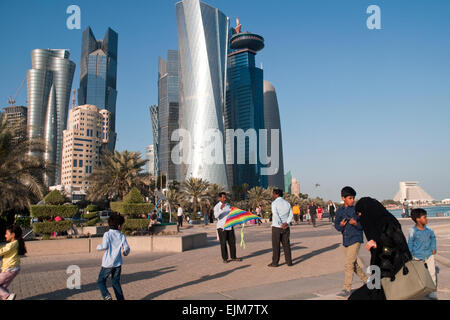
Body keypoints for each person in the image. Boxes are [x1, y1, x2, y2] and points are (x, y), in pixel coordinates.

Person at [349, 197, 412, 300]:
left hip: (391, 271)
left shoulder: (387, 222)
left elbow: (397, 243)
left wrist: (378, 243)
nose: (361, 218)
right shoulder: (383, 221)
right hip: (382, 272)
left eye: (361, 214)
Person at [334, 186, 368, 298]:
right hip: (346, 240)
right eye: (350, 198)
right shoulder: (339, 211)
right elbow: (336, 226)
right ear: (343, 198)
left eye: (353, 198)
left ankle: (347, 288)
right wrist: (341, 226)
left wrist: (355, 224)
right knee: (353, 264)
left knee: (348, 264)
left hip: (356, 239)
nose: (352, 200)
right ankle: (367, 280)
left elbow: (363, 226)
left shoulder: (356, 210)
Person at [97, 213, 130, 300]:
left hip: (107, 263)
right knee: (115, 282)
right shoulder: (122, 236)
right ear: (119, 226)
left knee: (101, 281)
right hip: (117, 263)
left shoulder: (107, 234)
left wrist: (98, 247)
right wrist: (125, 253)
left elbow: (104, 246)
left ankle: (106, 296)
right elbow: (126, 247)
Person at [408, 208, 438, 299]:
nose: (426, 219)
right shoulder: (412, 231)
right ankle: (421, 290)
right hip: (417, 256)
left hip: (429, 255)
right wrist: (409, 255)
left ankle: (432, 291)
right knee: (420, 274)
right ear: (418, 219)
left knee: (432, 273)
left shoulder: (430, 230)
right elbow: (410, 243)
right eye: (424, 217)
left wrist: (433, 247)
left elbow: (433, 238)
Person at [268, 189, 294, 267]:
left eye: (273, 194)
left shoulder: (274, 203)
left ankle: (275, 262)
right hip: (286, 227)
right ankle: (289, 262)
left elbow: (275, 214)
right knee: (286, 245)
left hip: (277, 227)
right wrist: (287, 223)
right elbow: (291, 214)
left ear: (276, 194)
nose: (272, 195)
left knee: (276, 245)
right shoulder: (287, 203)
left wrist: (281, 223)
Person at [0, 225, 26, 300]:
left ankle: (8, 296)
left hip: (10, 269)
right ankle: (7, 297)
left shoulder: (13, 244)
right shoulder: (16, 243)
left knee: (4, 291)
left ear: (13, 235)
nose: (5, 235)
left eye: (6, 233)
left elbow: (2, 251)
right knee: (2, 288)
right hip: (12, 269)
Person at [214, 192, 242, 263]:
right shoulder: (217, 206)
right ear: (219, 198)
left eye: (225, 197)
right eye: (223, 197)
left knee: (232, 242)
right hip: (222, 227)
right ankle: (225, 258)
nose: (224, 199)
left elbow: (231, 214)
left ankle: (233, 257)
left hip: (230, 226)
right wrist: (220, 209)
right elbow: (216, 216)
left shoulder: (227, 205)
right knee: (223, 243)